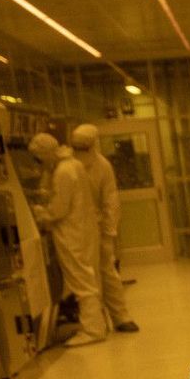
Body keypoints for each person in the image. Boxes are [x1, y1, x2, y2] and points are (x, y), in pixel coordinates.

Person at [27, 132, 106, 347]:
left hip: (72, 234)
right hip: (84, 231)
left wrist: (41, 212)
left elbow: (59, 209)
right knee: (90, 279)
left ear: (45, 153)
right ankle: (97, 324)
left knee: (82, 283)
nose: (40, 164)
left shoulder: (63, 171)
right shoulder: (74, 164)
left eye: (39, 158)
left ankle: (93, 330)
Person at [68, 124, 138, 333]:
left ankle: (120, 317)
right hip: (75, 230)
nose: (81, 152)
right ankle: (97, 322)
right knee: (86, 278)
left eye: (84, 147)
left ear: (93, 145)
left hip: (97, 228)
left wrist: (108, 232)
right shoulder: (67, 166)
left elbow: (110, 200)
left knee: (107, 272)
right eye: (77, 148)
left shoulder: (102, 166)